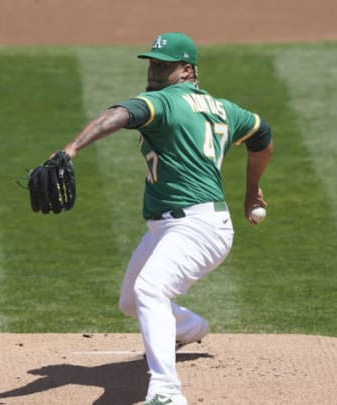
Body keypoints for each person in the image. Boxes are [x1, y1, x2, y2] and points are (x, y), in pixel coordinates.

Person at [57, 32, 273, 405]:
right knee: (131, 302)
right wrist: (252, 188)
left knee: (150, 291)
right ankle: (188, 328)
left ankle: (166, 392)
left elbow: (119, 115)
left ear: (187, 70)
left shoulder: (164, 102)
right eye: (152, 63)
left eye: (163, 65)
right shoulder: (222, 108)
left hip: (198, 227)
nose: (153, 71)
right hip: (171, 227)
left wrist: (71, 148)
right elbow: (262, 135)